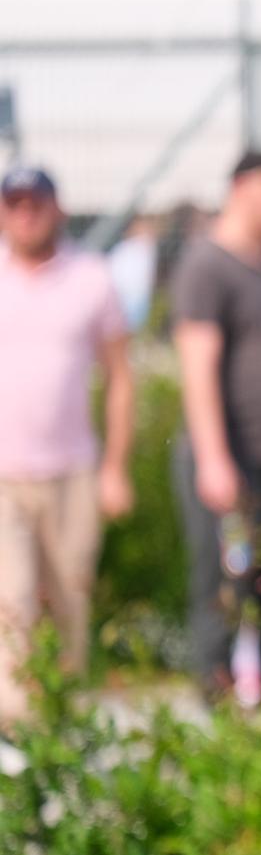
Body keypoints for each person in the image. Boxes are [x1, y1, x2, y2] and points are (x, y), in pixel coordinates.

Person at [171, 150, 261, 702]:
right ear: (243, 189)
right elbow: (197, 366)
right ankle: (217, 699)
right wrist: (213, 458)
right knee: (224, 584)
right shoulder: (207, 265)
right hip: (230, 457)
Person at [0, 165, 133, 724]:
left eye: (36, 203)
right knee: (12, 604)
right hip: (5, 474)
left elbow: (120, 375)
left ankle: (62, 722)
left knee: (71, 602)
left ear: (57, 208)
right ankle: (14, 729)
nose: (25, 214)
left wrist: (115, 468)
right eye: (15, 204)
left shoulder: (90, 278)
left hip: (72, 470)